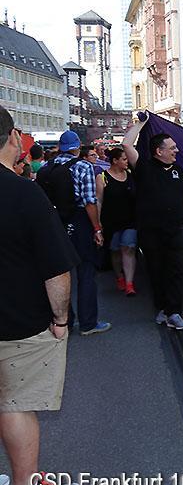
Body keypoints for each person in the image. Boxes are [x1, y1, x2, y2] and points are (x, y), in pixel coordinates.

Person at [0, 106, 82, 485]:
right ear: (12, 138)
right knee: (14, 403)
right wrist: (61, 319)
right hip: (17, 321)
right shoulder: (22, 192)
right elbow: (56, 269)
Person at [122, 116, 183, 330]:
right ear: (159, 151)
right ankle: (162, 309)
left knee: (175, 270)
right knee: (156, 270)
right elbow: (126, 144)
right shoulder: (144, 168)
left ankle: (174, 312)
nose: (177, 151)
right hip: (151, 232)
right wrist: (141, 123)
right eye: (172, 148)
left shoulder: (179, 172)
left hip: (177, 229)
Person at [37, 131, 111, 336]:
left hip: (54, 225)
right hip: (79, 222)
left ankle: (65, 320)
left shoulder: (45, 168)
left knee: (61, 272)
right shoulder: (83, 166)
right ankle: (88, 322)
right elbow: (89, 201)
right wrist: (97, 228)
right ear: (77, 147)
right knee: (86, 272)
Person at [96, 147, 138, 296]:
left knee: (128, 247)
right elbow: (99, 201)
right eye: (124, 159)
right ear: (115, 161)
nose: (127, 162)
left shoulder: (131, 175)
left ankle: (129, 283)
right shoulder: (102, 177)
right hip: (111, 222)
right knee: (115, 250)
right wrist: (98, 223)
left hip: (130, 220)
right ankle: (119, 276)